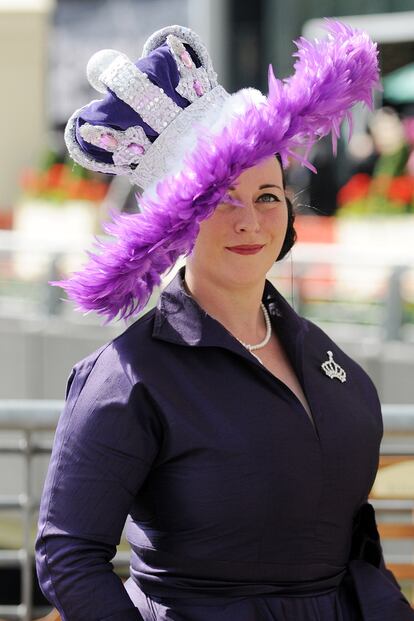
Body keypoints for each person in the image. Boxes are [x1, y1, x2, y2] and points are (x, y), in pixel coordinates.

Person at [35, 21, 414, 621]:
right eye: (219, 201)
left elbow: (353, 539)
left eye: (266, 196)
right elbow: (69, 557)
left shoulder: (323, 355)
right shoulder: (127, 375)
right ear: (180, 225)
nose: (249, 221)